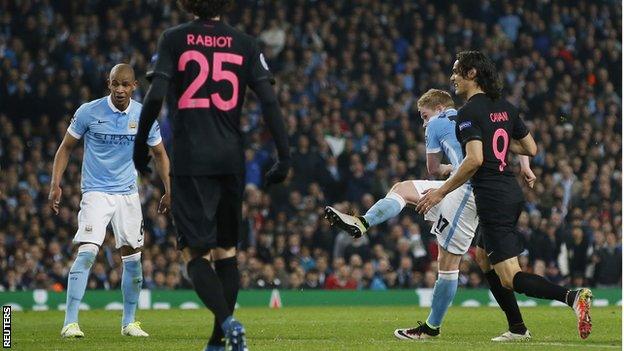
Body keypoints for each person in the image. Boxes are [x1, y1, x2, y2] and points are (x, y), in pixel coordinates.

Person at [133, 1, 291, 350]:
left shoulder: (173, 39)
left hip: (191, 160)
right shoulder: (246, 43)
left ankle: (229, 323)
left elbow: (156, 94)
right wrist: (285, 155)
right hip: (231, 158)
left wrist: (139, 145)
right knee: (227, 253)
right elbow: (269, 101)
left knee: (195, 256)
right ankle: (219, 341)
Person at [325, 89, 531, 341]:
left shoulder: (436, 123)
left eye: (424, 115)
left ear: (440, 109)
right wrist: (526, 167)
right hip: (485, 189)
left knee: (448, 263)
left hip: (466, 192)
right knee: (402, 189)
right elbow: (517, 139)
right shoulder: (478, 115)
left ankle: (432, 327)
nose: (424, 122)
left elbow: (433, 169)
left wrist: (448, 167)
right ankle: (363, 221)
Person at [416, 50, 592, 339]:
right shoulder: (506, 107)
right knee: (484, 259)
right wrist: (498, 143)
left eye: (457, 71)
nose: (452, 78)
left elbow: (472, 160)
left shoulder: (468, 113)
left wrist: (440, 192)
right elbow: (530, 148)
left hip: (492, 197)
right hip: (508, 190)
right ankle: (517, 328)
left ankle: (573, 297)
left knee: (509, 277)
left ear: (473, 74)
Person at [50, 64, 170, 338]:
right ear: (108, 83)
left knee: (133, 259)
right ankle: (70, 322)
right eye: (115, 84)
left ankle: (129, 323)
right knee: (88, 252)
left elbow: (160, 154)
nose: (119, 89)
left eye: (125, 85)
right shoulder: (88, 112)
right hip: (95, 192)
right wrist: (55, 184)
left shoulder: (143, 115)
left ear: (134, 87)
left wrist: (168, 189)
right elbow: (65, 147)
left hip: (128, 194)